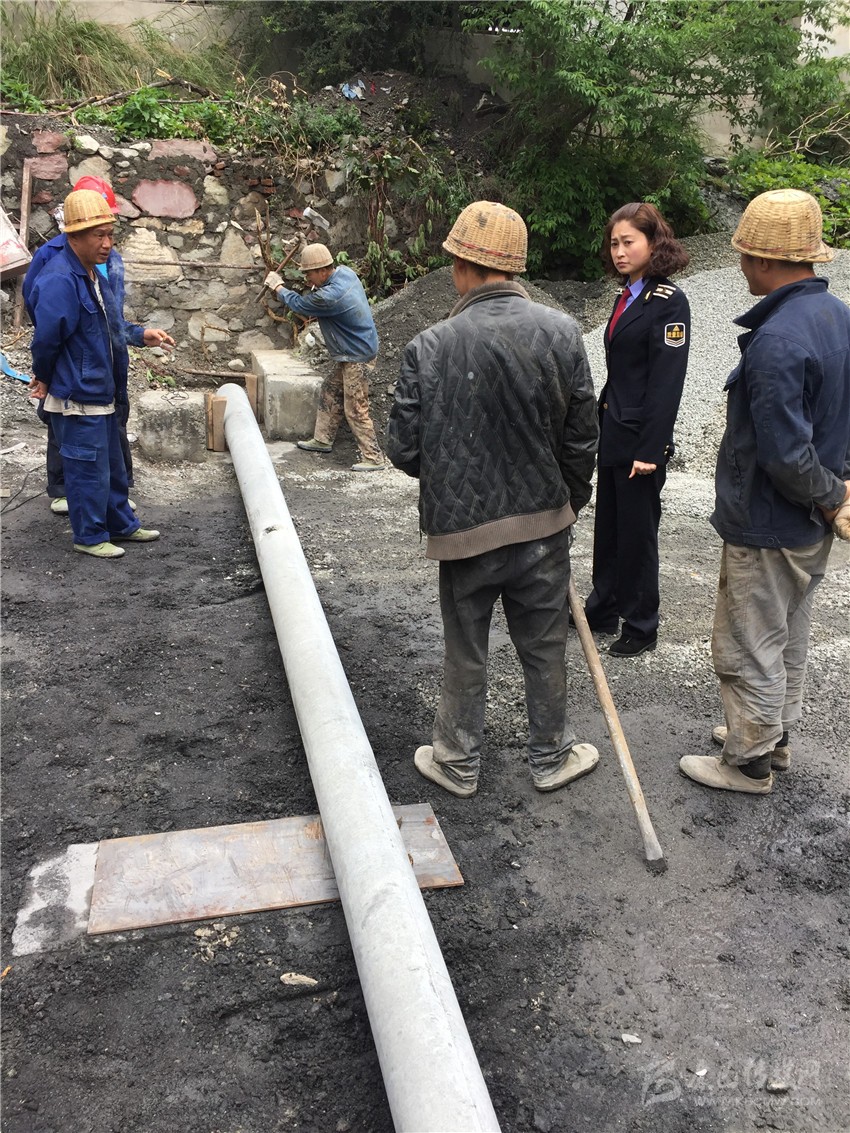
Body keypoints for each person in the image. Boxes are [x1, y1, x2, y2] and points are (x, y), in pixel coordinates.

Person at [386, 201, 600, 797]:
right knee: (545, 646)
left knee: (466, 649)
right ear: (516, 267)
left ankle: (456, 761)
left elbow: (403, 449)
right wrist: (567, 502)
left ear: (461, 266)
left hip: (465, 534)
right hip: (543, 526)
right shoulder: (562, 332)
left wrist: (451, 472)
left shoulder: (429, 345)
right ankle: (551, 756)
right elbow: (582, 436)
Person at [680, 188, 850, 795]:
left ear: (763, 259)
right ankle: (773, 737)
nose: (740, 266)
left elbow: (785, 455)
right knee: (789, 630)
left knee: (748, 638)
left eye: (744, 256)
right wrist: (836, 495)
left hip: (771, 518)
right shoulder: (837, 317)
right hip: (808, 522)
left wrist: (830, 495)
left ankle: (747, 761)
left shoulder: (777, 340)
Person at [22, 175, 174, 515]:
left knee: (112, 419)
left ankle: (111, 498)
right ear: (76, 230)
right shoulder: (53, 261)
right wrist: (50, 368)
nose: (106, 242)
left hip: (108, 358)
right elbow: (43, 316)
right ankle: (66, 491)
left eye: (109, 232)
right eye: (98, 232)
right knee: (68, 426)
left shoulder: (110, 258)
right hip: (75, 363)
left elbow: (111, 316)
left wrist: (138, 335)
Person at [581, 203, 691, 656]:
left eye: (629, 242)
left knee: (637, 534)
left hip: (640, 440)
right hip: (614, 429)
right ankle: (603, 608)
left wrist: (651, 449)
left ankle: (642, 624)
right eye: (614, 243)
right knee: (608, 526)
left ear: (653, 243)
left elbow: (666, 383)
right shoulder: (626, 294)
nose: (619, 251)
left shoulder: (669, 301)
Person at [264, 244, 385, 471]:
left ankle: (374, 458)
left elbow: (300, 304)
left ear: (322, 271)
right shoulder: (345, 273)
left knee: (355, 407)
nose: (307, 279)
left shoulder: (331, 296)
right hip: (354, 351)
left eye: (309, 273)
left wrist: (278, 286)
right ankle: (323, 439)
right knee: (330, 389)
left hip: (357, 356)